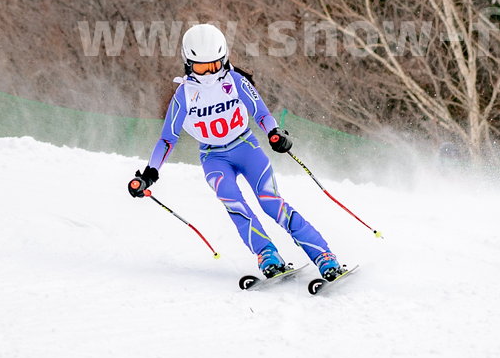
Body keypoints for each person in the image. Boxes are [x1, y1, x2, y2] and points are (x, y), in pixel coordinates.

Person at [129, 23, 346, 281]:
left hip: (246, 147)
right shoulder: (183, 95)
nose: (209, 73)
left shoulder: (235, 80)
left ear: (224, 59)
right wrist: (150, 173)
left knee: (271, 203)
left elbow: (262, 113)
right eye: (201, 67)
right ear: (188, 64)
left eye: (214, 65)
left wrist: (275, 133)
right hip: (214, 157)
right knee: (235, 205)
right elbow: (167, 138)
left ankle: (324, 256)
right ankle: (268, 255)